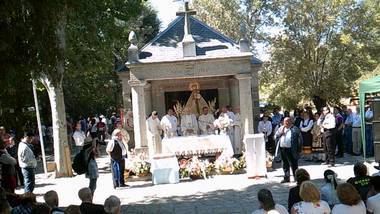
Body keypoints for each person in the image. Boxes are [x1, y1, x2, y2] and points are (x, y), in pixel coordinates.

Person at [275, 117, 302, 183]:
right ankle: (286, 178)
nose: (286, 123)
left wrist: (299, 149)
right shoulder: (281, 128)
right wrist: (280, 134)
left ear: (291, 122)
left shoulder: (295, 129)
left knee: (293, 164)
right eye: (285, 121)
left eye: (288, 121)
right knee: (285, 164)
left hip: (292, 149)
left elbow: (300, 140)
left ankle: (296, 178)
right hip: (283, 148)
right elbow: (275, 136)